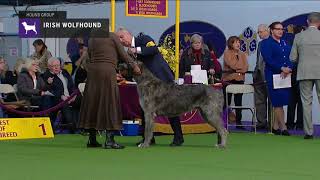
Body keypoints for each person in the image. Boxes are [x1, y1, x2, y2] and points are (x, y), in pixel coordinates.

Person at [116, 28, 184, 146]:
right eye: (119, 39)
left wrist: (136, 50)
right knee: (144, 108)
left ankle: (178, 137)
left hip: (162, 78)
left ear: (128, 34)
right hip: (147, 84)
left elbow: (153, 49)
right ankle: (148, 138)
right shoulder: (128, 52)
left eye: (122, 37)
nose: (121, 41)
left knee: (171, 106)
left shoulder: (143, 39)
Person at [78, 29, 140, 149]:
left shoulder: (91, 40)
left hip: (93, 73)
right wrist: (134, 65)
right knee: (110, 103)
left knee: (92, 104)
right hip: (107, 71)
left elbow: (88, 58)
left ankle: (92, 140)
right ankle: (110, 140)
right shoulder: (112, 36)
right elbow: (123, 54)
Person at [290, 12, 320, 139]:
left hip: (304, 72)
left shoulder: (298, 36)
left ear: (307, 22)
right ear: (319, 23)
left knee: (306, 102)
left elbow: (292, 58)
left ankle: (308, 133)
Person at [260, 21, 293, 136]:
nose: (280, 31)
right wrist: (281, 68)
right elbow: (268, 60)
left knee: (282, 101)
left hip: (286, 75)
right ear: (271, 30)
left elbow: (291, 57)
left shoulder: (285, 42)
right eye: (278, 29)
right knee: (277, 102)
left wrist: (288, 68)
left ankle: (275, 127)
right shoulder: (265, 43)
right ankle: (283, 127)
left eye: (282, 29)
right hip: (273, 75)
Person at [42, 57, 77, 132]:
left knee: (82, 100)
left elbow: (71, 85)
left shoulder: (64, 72)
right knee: (63, 103)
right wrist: (62, 96)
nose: (57, 67)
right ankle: (72, 126)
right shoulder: (47, 75)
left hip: (70, 97)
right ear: (49, 67)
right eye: (54, 66)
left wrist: (73, 95)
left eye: (58, 65)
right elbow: (50, 90)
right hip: (58, 99)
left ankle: (85, 126)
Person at [222, 36, 249, 129]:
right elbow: (231, 65)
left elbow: (246, 68)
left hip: (240, 80)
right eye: (235, 42)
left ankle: (239, 122)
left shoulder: (242, 54)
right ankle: (224, 123)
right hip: (228, 80)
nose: (238, 44)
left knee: (238, 102)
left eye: (239, 42)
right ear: (231, 43)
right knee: (226, 102)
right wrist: (240, 68)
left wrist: (239, 69)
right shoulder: (227, 53)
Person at [286, 25, 305, 130]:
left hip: (291, 74)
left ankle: (289, 124)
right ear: (302, 31)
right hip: (300, 74)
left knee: (291, 101)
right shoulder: (301, 43)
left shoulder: (289, 41)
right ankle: (300, 125)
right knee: (301, 101)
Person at [253, 24, 271, 129]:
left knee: (271, 101)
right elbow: (258, 60)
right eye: (258, 32)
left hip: (269, 75)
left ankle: (272, 124)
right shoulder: (260, 44)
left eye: (261, 32)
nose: (259, 34)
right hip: (258, 75)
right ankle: (261, 122)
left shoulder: (272, 43)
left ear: (267, 31)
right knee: (259, 100)